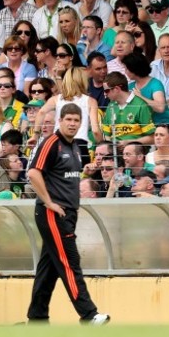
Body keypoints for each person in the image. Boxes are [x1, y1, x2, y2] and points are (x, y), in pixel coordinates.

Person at [26, 103, 110, 325]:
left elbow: (63, 175)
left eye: (76, 120)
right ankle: (88, 315)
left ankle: (36, 318)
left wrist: (85, 173)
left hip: (68, 213)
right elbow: (33, 173)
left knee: (49, 268)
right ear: (60, 121)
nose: (72, 124)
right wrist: (49, 203)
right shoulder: (51, 143)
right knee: (69, 262)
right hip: (53, 213)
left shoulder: (75, 147)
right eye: (68, 120)